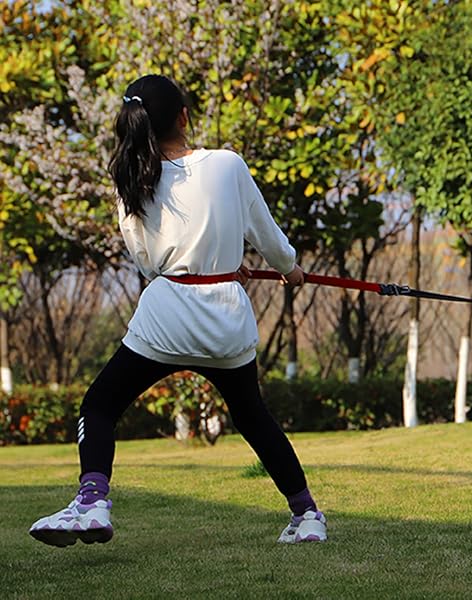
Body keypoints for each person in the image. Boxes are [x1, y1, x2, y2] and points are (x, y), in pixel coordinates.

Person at [29, 74, 326, 546]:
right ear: (183, 117)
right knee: (252, 417)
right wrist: (287, 269)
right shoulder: (228, 165)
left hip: (165, 323)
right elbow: (267, 236)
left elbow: (149, 263)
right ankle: (307, 514)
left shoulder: (129, 178)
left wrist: (207, 263)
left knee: (100, 406)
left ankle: (91, 500)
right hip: (225, 321)